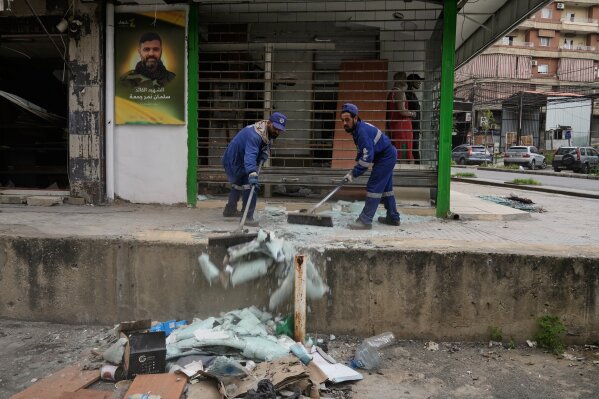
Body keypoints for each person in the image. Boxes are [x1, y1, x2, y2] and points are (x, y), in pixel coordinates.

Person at [340, 103, 401, 230]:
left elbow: (367, 158)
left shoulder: (361, 132)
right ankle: (393, 217)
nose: (344, 123)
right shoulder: (357, 130)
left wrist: (353, 173)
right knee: (386, 188)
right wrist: (355, 167)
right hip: (386, 156)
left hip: (386, 157)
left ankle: (365, 220)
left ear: (355, 118)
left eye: (347, 120)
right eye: (342, 120)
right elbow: (364, 151)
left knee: (374, 186)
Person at [221, 112, 288, 227]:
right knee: (250, 184)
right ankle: (247, 217)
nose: (277, 131)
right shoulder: (255, 135)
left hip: (240, 158)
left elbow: (266, 144)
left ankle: (230, 210)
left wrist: (264, 153)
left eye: (280, 130)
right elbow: (250, 156)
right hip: (235, 160)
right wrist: (252, 173)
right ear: (269, 123)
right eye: (276, 128)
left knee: (238, 183)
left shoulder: (267, 132)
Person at [386, 72, 416, 161]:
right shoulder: (399, 93)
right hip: (402, 127)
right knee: (404, 150)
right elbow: (402, 111)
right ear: (398, 79)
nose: (406, 80)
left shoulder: (391, 93)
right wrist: (412, 113)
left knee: (397, 149)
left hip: (394, 125)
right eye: (403, 77)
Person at [406, 73, 423, 163]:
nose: (419, 83)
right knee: (414, 147)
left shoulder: (413, 94)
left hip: (415, 126)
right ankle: (418, 165)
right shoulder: (407, 94)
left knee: (415, 146)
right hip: (410, 126)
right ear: (412, 82)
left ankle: (417, 164)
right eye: (417, 81)